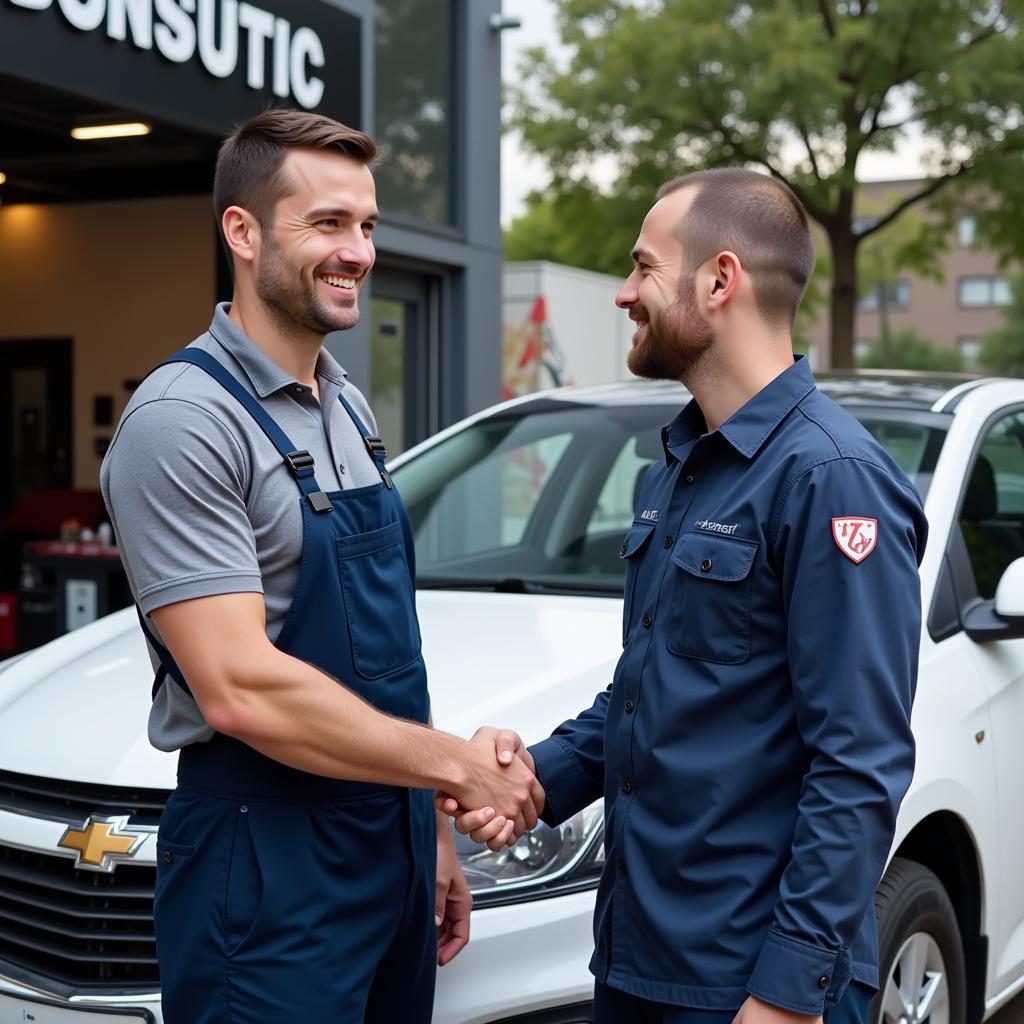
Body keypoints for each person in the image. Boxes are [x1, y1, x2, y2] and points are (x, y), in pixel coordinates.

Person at [448, 169, 927, 1024]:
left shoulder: (831, 479)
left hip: (745, 982)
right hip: (642, 958)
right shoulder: (682, 465)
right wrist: (526, 782)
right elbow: (654, 690)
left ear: (719, 280)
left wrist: (785, 995)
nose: (624, 293)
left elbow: (857, 766)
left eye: (642, 267)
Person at [100, 109, 543, 1024]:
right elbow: (241, 689)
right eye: (329, 224)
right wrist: (457, 769)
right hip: (268, 866)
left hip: (386, 848)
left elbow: (383, 651)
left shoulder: (345, 405)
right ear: (242, 231)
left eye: (369, 225)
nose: (360, 252)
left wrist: (429, 822)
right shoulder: (183, 422)